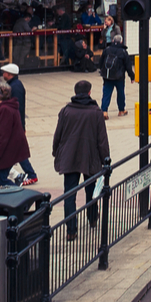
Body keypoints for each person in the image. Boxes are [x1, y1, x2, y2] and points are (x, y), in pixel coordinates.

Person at [52, 79, 110, 237]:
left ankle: (71, 231)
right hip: (90, 157)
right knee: (91, 191)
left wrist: (55, 151)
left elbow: (58, 134)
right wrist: (106, 160)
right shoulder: (96, 112)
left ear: (75, 92)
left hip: (69, 157)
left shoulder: (66, 111)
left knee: (69, 194)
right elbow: (102, 139)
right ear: (89, 92)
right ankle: (92, 218)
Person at [0, 82, 32, 188]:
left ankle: (21, 198)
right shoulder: (3, 108)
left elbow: (3, 135)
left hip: (6, 152)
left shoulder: (4, 110)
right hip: (6, 151)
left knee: (0, 181)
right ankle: (5, 202)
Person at [0, 64, 40, 184]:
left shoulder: (15, 88)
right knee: (12, 150)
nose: (3, 74)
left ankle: (31, 174)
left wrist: (21, 125)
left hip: (14, 125)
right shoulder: (14, 85)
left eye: (4, 72)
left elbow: (18, 108)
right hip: (15, 124)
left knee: (15, 150)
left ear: (9, 74)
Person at [98, 30, 130, 115]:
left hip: (108, 75)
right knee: (120, 93)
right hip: (119, 76)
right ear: (121, 41)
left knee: (106, 93)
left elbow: (101, 62)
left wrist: (101, 71)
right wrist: (132, 76)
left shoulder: (107, 49)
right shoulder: (123, 52)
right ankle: (121, 110)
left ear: (113, 41)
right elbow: (128, 66)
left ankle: (104, 111)